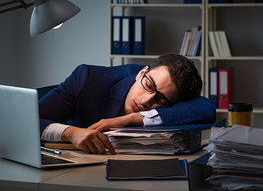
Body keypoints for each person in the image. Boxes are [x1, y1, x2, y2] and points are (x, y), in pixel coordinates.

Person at [39, 54, 216, 154]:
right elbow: (27, 121)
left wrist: (131, 119)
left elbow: (207, 109)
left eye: (161, 100)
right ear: (141, 73)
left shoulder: (173, 94)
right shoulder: (87, 78)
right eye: (148, 86)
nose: (147, 100)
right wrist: (70, 132)